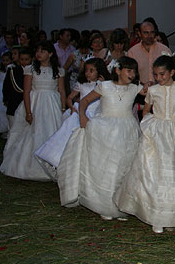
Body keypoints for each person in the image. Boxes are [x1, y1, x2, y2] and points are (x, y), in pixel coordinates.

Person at [57, 56, 146, 220]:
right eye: (128, 70)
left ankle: (122, 204)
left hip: (128, 129)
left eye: (134, 71)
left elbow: (151, 92)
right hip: (105, 129)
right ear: (117, 70)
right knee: (108, 165)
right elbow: (84, 101)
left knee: (124, 165)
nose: (132, 74)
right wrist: (82, 116)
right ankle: (105, 204)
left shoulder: (135, 88)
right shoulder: (104, 86)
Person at [114, 55, 175, 234]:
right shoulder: (153, 90)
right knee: (155, 169)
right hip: (157, 131)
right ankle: (157, 216)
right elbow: (146, 110)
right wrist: (148, 125)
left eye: (162, 74)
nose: (159, 78)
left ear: (172, 72)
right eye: (156, 75)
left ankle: (173, 215)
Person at [0, 41, 66, 181]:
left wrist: (63, 108)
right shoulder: (30, 69)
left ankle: (52, 163)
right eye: (37, 51)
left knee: (52, 131)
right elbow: (26, 91)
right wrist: (28, 112)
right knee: (34, 133)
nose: (39, 54)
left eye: (42, 51)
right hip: (36, 103)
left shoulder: (58, 71)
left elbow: (61, 90)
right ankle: (31, 166)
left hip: (52, 105)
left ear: (50, 53)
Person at [34, 58, 109, 174]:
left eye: (91, 71)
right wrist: (72, 107)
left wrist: (104, 84)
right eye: (86, 70)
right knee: (70, 137)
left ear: (99, 71)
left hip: (97, 116)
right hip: (81, 114)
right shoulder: (82, 84)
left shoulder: (103, 85)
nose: (88, 73)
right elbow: (70, 98)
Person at [128, 21, 171, 85]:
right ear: (139, 34)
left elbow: (171, 72)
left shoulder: (164, 49)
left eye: (152, 32)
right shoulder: (132, 52)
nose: (149, 36)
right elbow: (129, 76)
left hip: (161, 89)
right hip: (140, 89)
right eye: (146, 33)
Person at [3, 47, 33, 130]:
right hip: (15, 101)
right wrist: (6, 99)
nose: (24, 62)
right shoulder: (13, 71)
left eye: (26, 59)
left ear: (32, 59)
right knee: (14, 126)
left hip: (31, 100)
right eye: (22, 59)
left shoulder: (35, 71)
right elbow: (6, 86)